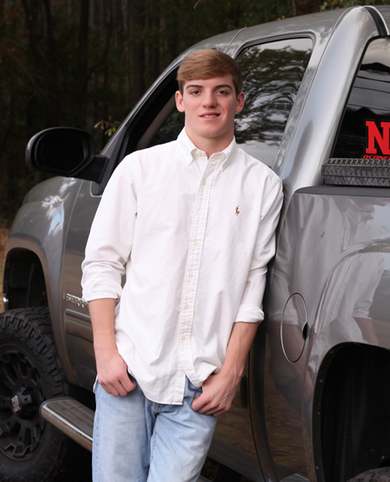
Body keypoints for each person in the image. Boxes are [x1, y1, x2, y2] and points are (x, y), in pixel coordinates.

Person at [81, 49, 283, 482]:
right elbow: (101, 264)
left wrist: (231, 374)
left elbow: (253, 287)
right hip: (129, 370)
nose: (208, 101)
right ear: (180, 101)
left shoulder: (263, 185)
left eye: (221, 91)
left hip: (199, 386)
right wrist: (105, 354)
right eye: (196, 91)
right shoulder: (139, 170)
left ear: (239, 101)